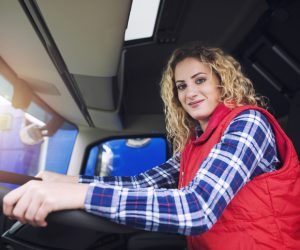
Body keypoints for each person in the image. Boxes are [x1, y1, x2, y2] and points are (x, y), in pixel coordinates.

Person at [3, 43, 300, 250]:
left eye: (199, 80)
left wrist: (79, 195)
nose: (190, 92)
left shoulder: (248, 123)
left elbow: (196, 208)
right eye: (181, 86)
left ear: (222, 83)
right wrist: (67, 181)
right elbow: (141, 182)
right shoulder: (197, 144)